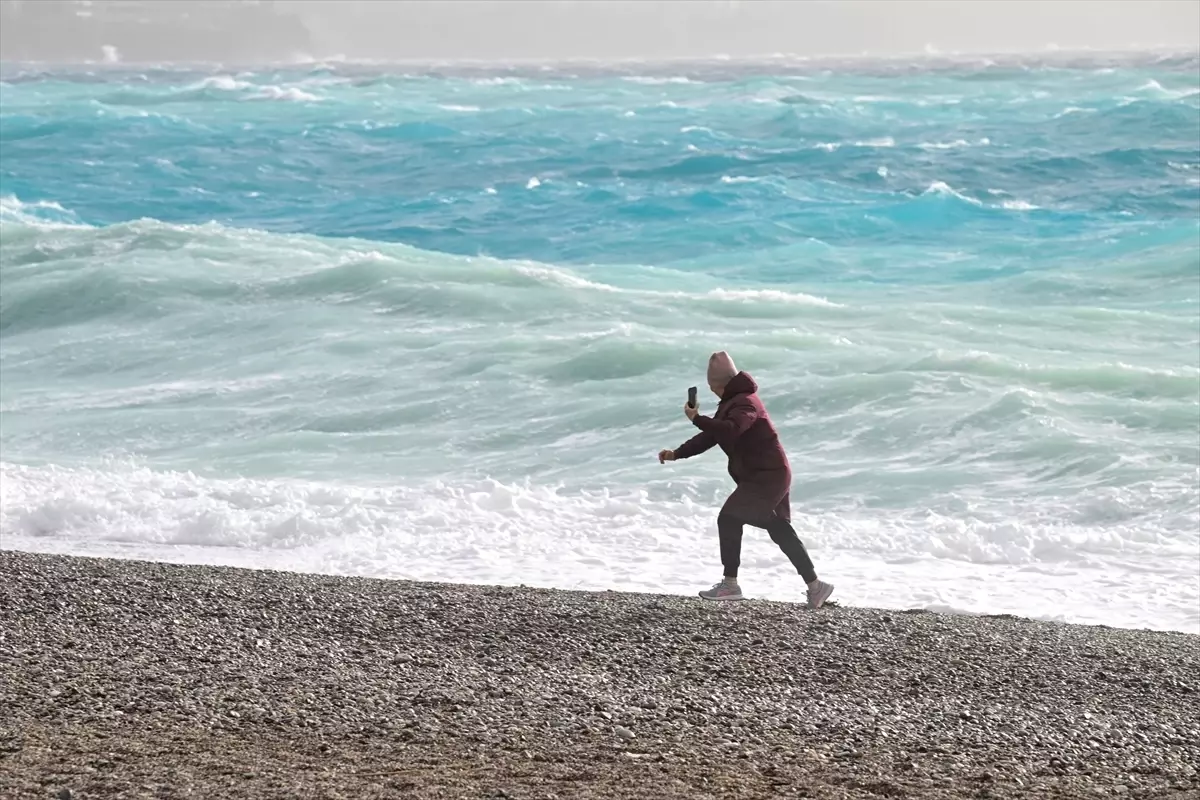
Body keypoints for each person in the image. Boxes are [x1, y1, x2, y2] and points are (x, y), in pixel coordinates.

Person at [658, 351, 835, 608]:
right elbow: (711, 437)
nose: (713, 392)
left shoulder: (746, 403)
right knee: (778, 528)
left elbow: (732, 429)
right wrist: (677, 453)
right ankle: (816, 587)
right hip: (762, 474)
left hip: (768, 476)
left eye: (712, 387)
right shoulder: (732, 403)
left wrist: (697, 418)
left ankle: (730, 585)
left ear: (718, 385)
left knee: (729, 517)